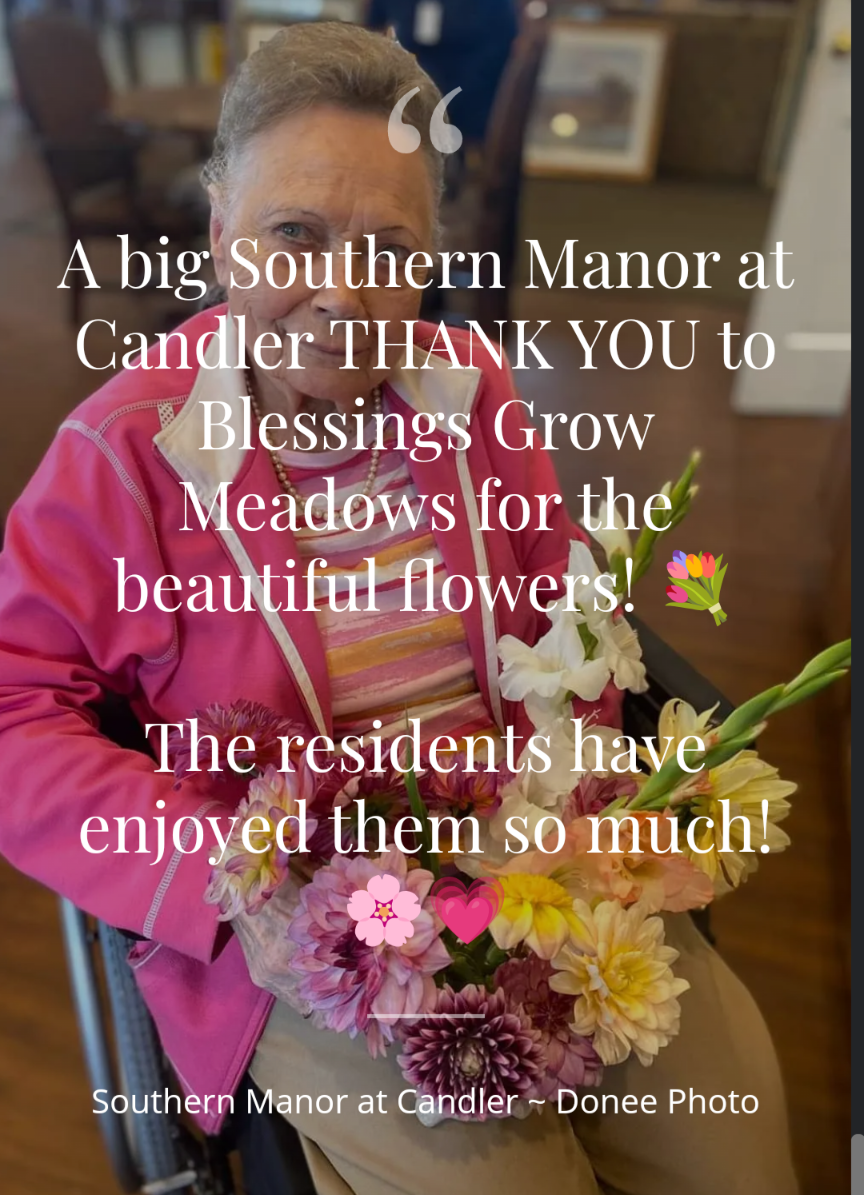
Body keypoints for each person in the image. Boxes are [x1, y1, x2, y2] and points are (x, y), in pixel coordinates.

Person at [0, 22, 797, 1195]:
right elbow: (16, 712)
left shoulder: (472, 397)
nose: (341, 293)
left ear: (434, 257)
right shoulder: (121, 457)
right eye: (293, 235)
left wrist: (594, 789)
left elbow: (557, 607)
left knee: (737, 1156)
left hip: (538, 861)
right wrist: (230, 869)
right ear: (221, 228)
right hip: (315, 922)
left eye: (388, 247)